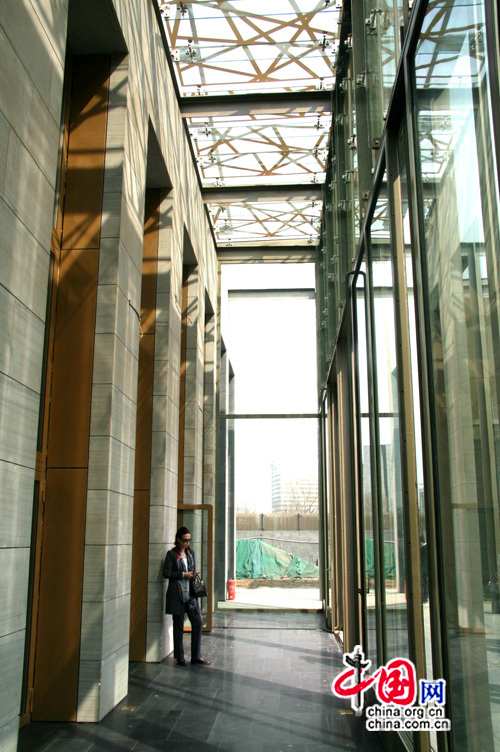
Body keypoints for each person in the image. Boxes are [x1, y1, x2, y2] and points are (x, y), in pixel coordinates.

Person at [163, 527, 210, 666]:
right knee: (178, 626)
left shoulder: (191, 554)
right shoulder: (171, 555)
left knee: (198, 622)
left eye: (189, 540)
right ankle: (180, 656)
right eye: (184, 540)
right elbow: (166, 573)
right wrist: (182, 574)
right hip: (177, 594)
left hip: (190, 593)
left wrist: (193, 574)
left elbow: (192, 570)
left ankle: (196, 656)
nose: (187, 543)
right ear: (178, 540)